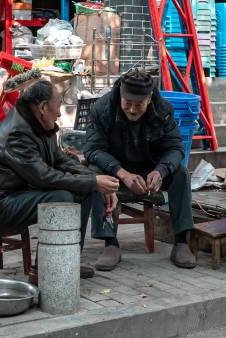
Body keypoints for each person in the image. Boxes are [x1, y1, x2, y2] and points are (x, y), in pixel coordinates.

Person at [0, 80, 120, 278]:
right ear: (42, 107)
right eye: (57, 106)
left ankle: (68, 258)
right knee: (60, 198)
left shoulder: (39, 123)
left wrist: (95, 180)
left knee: (83, 191)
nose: (59, 113)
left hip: (18, 194)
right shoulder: (18, 133)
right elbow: (44, 177)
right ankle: (45, 268)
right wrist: (94, 182)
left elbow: (59, 160)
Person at [84, 69, 196, 271]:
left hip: (149, 169)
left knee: (180, 173)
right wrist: (122, 174)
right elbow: (92, 150)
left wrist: (161, 170)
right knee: (95, 173)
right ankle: (110, 243)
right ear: (120, 96)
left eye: (139, 105)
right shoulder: (101, 109)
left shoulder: (163, 110)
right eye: (127, 104)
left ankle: (181, 240)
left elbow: (176, 147)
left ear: (149, 98)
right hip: (115, 169)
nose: (133, 110)